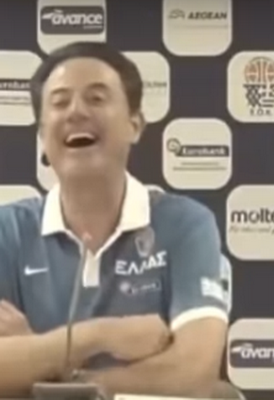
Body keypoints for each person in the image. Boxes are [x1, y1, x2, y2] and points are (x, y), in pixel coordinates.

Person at [0, 42, 228, 397]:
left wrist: (41, 361)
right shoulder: (8, 231)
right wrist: (101, 335)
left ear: (134, 125)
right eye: (60, 102)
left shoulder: (186, 224)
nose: (76, 112)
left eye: (96, 98)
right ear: (43, 137)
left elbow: (193, 371)